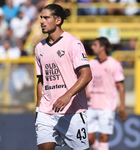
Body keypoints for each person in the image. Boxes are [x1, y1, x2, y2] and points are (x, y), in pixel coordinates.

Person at [35, 4, 92, 150]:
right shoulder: (39, 47)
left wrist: (67, 95)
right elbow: (41, 80)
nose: (42, 21)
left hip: (71, 111)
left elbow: (86, 75)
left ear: (58, 20)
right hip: (46, 111)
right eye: (41, 17)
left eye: (46, 17)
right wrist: (38, 108)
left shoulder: (73, 43)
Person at [85, 37, 128, 150]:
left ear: (102, 47)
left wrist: (122, 106)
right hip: (90, 106)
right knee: (89, 139)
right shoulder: (90, 63)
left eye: (95, 45)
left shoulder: (114, 64)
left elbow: (121, 86)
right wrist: (85, 91)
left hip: (107, 107)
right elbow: (83, 81)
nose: (92, 47)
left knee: (104, 137)